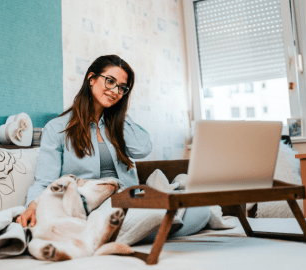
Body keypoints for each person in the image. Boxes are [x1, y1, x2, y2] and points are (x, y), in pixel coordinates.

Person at [18, 55, 209, 239]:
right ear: (91, 79)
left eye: (122, 88)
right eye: (110, 81)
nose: (115, 91)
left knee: (201, 211)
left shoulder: (118, 125)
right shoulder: (57, 128)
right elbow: (44, 181)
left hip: (131, 199)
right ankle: (141, 227)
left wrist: (120, 113)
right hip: (96, 205)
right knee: (138, 215)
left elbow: (143, 149)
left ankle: (126, 231)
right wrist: (32, 206)